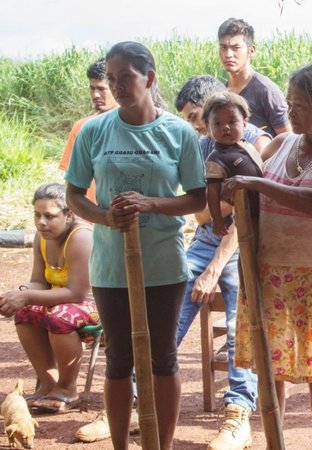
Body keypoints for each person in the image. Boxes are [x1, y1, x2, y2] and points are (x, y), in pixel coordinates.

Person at [65, 41, 206, 450]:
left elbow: (197, 199)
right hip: (110, 264)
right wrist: (105, 217)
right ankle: (121, 446)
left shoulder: (178, 132)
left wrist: (151, 204)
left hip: (163, 262)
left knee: (163, 357)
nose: (118, 85)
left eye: (126, 76)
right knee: (118, 360)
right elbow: (73, 195)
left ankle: (160, 444)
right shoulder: (94, 130)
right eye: (112, 78)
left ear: (150, 77)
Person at [224, 63, 312, 450]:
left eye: (300, 105)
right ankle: (276, 441)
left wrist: (255, 181)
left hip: (309, 273)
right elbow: (243, 177)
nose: (291, 112)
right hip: (266, 268)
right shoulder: (281, 144)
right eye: (288, 103)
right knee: (273, 365)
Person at [174, 75, 269, 450]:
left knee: (238, 324)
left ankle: (238, 414)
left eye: (199, 117)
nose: (199, 128)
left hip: (244, 244)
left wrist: (215, 267)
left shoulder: (256, 144)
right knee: (167, 307)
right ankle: (137, 395)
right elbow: (201, 211)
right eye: (202, 123)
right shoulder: (204, 144)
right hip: (208, 239)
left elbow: (248, 217)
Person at [0, 183, 97, 413]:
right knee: (24, 313)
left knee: (59, 316)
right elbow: (38, 281)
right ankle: (48, 384)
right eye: (37, 215)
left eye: (50, 216)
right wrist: (17, 295)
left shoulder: (81, 237)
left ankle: (67, 388)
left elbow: (78, 293)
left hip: (95, 303)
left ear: (69, 214)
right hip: (61, 301)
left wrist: (27, 295)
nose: (41, 222)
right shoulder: (41, 237)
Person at [218, 17, 291, 137]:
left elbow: (289, 142)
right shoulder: (221, 92)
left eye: (236, 48)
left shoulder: (266, 91)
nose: (228, 54)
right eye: (223, 48)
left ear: (251, 50)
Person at [202, 91, 263, 236]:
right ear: (208, 127)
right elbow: (213, 192)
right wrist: (217, 219)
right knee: (249, 250)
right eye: (217, 123)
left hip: (265, 208)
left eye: (232, 121)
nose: (225, 127)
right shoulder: (216, 159)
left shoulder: (246, 145)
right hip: (245, 214)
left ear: (245, 122)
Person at [58, 58, 118, 202]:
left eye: (102, 89)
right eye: (92, 88)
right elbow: (71, 181)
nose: (95, 95)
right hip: (88, 215)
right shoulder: (82, 127)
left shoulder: (136, 126)